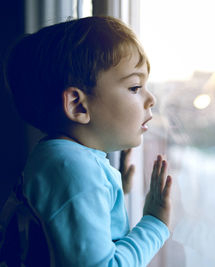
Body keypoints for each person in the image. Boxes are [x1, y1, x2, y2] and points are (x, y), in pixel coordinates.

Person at [3, 16, 173, 266]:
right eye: (135, 87)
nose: (151, 100)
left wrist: (108, 192)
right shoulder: (72, 170)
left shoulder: (57, 160)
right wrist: (154, 224)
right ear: (78, 105)